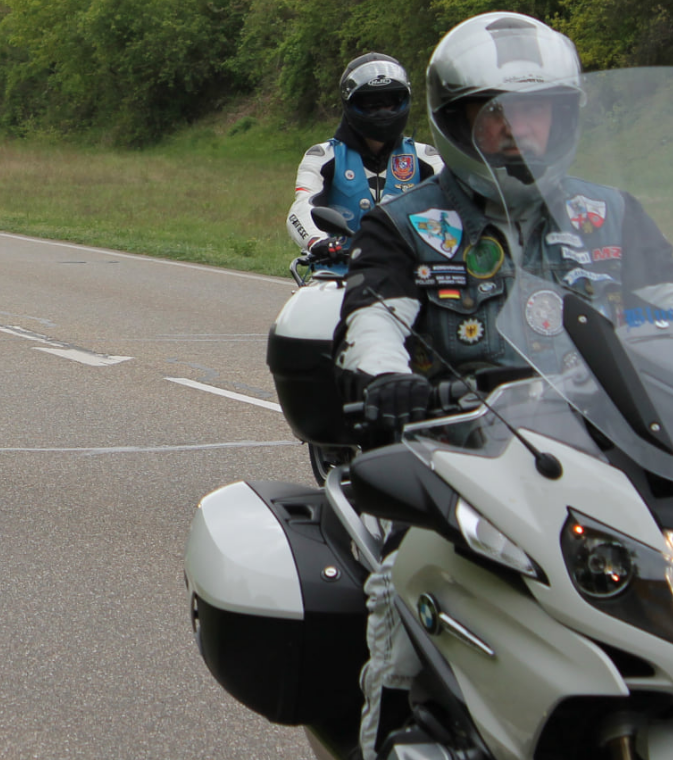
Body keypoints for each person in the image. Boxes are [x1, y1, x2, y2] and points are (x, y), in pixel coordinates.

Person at [333, 12, 673, 759]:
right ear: (458, 123)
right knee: (400, 590)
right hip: (467, 457)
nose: (522, 134)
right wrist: (390, 380)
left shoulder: (612, 215)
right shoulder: (406, 223)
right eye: (499, 117)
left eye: (541, 114)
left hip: (612, 457)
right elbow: (373, 321)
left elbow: (667, 309)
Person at [288, 54, 443, 272]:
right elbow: (302, 206)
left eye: (390, 102)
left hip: (411, 278)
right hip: (337, 277)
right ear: (350, 104)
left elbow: (457, 205)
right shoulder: (322, 156)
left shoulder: (426, 157)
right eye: (371, 104)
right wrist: (318, 241)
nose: (382, 111)